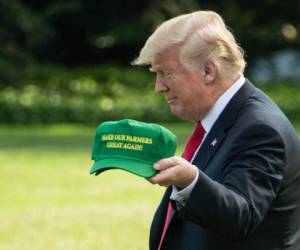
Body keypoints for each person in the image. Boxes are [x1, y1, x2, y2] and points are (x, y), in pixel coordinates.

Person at [132, 10, 300, 250]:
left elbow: (242, 216)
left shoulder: (260, 128)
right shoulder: (225, 117)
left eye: (166, 72)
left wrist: (189, 181)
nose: (159, 87)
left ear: (208, 72)